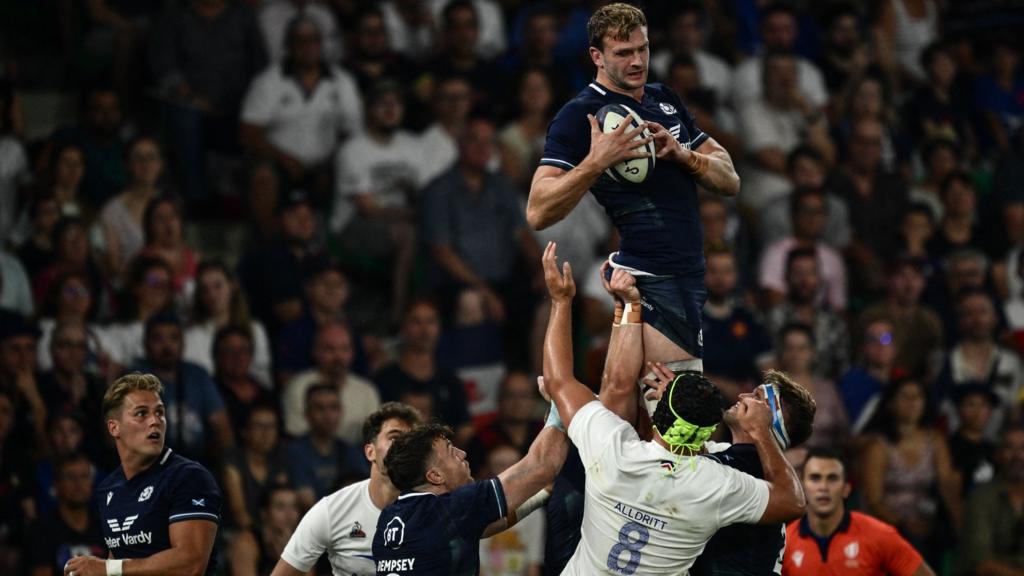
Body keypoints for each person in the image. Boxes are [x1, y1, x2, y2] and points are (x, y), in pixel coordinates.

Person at [538, 242, 804, 574]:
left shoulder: (618, 451)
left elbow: (563, 380)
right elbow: (792, 501)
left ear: (658, 417)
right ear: (708, 431)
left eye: (761, 401)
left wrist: (562, 301)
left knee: (569, 458)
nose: (748, 396)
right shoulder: (717, 483)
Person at [527, 2, 740, 374]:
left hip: (683, 270)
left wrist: (685, 155)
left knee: (625, 405)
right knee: (674, 410)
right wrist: (596, 162)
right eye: (623, 53)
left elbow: (730, 180)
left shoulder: (666, 99)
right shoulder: (579, 115)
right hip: (655, 275)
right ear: (597, 55)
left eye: (642, 49)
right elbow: (538, 210)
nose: (637, 61)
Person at [64, 373, 222, 576]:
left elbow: (190, 564)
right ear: (114, 427)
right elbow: (120, 561)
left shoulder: (188, 477)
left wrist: (107, 567)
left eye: (160, 412)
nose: (155, 421)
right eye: (141, 413)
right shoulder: (108, 489)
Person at [371, 418, 567, 574]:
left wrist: (543, 493)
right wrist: (558, 405)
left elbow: (485, 527)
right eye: (451, 451)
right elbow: (543, 465)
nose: (463, 454)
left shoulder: (389, 517)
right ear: (435, 476)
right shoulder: (451, 508)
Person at [271, 402, 421, 576]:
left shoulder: (435, 509)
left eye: (412, 441)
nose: (405, 446)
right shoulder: (331, 510)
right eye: (394, 437)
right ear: (370, 452)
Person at [782, 448, 935, 575]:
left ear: (846, 489)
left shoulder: (879, 535)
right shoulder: (785, 543)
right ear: (802, 486)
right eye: (815, 478)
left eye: (832, 478)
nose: (823, 487)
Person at [956, 427, 1024, 575]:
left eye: (1023, 447)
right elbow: (981, 564)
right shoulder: (981, 497)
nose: (1018, 455)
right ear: (997, 455)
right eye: (1009, 447)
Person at [26, 453, 106, 576]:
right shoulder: (41, 530)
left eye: (84, 477)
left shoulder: (105, 527)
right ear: (57, 485)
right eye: (70, 477)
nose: (78, 484)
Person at [228, 485, 301, 576]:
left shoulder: (302, 543)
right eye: (280, 507)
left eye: (294, 507)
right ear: (264, 513)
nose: (289, 514)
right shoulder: (246, 544)